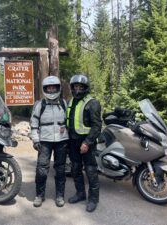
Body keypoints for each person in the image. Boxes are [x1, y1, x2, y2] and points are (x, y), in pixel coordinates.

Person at [30, 75, 69, 208]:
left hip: (62, 141)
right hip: (44, 141)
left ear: (58, 88)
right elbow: (34, 123)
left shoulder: (64, 103)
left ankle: (59, 196)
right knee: (41, 169)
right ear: (45, 89)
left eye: (54, 87)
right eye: (49, 88)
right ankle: (39, 195)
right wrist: (35, 139)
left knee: (60, 169)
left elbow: (70, 122)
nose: (52, 90)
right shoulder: (40, 104)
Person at [66, 74, 102, 212]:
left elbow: (97, 126)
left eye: (81, 87)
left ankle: (93, 199)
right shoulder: (70, 101)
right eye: (76, 86)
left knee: (91, 171)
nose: (78, 89)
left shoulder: (92, 103)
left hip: (87, 143)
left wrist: (87, 142)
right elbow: (69, 120)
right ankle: (80, 194)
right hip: (73, 142)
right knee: (75, 169)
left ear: (86, 88)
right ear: (72, 87)